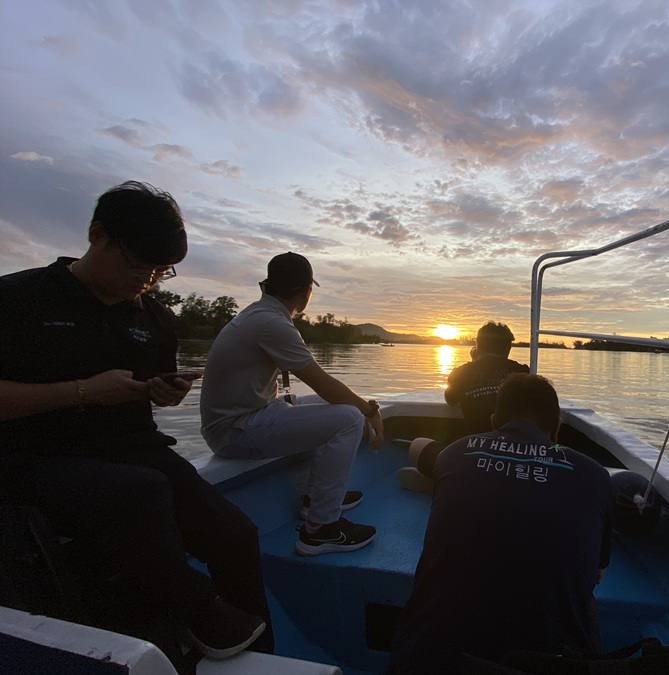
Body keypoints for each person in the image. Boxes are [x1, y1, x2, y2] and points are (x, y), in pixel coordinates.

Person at [0, 181, 271, 660]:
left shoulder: (155, 318)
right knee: (140, 491)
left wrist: (165, 392)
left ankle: (254, 647)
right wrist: (82, 392)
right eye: (135, 263)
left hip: (133, 448)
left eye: (159, 271)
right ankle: (199, 610)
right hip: (34, 456)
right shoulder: (19, 299)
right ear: (97, 234)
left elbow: (149, 398)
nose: (145, 279)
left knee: (236, 534)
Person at [386, 373, 613, 675]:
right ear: (557, 429)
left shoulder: (453, 454)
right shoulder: (595, 475)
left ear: (494, 421)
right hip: (548, 663)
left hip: (424, 661)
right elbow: (597, 572)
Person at [199, 252, 383, 556]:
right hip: (235, 431)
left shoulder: (258, 314)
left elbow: (325, 390)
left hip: (244, 418)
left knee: (332, 406)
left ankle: (315, 501)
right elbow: (322, 381)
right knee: (348, 418)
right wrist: (369, 409)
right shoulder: (272, 323)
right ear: (305, 290)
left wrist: (362, 404)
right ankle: (322, 529)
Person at [397, 321, 529, 492]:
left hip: (473, 457)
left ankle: (447, 483)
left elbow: (451, 400)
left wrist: (474, 362)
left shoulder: (461, 372)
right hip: (518, 457)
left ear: (478, 345)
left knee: (417, 445)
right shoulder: (523, 372)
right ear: (508, 349)